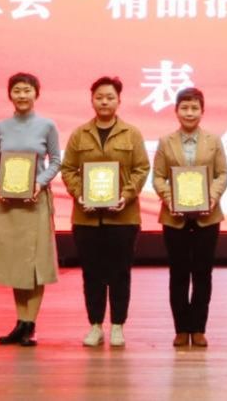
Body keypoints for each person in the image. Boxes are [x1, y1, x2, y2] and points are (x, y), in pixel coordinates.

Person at [60, 76, 151, 347]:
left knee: (120, 273)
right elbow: (68, 169)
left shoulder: (131, 133)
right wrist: (80, 194)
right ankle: (96, 325)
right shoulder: (80, 134)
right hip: (86, 219)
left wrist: (126, 195)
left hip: (123, 217)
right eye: (99, 97)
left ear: (119, 101)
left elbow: (141, 168)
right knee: (92, 273)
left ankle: (118, 325)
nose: (104, 102)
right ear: (92, 100)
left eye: (110, 97)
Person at [0, 73, 61, 347]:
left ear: (36, 94)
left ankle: (30, 323)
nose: (22, 95)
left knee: (35, 262)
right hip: (9, 204)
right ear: (10, 94)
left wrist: (39, 183)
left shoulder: (47, 126)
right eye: (17, 90)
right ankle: (20, 322)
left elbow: (56, 161)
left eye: (27, 90)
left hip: (35, 202)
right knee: (16, 262)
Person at [151, 87, 227, 348]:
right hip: (174, 218)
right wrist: (170, 199)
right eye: (184, 108)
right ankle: (181, 329)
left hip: (208, 217)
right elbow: (158, 177)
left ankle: (198, 328)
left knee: (203, 273)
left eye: (195, 108)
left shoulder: (213, 141)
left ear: (202, 111)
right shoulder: (165, 142)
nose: (189, 112)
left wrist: (212, 197)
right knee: (179, 273)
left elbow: (222, 174)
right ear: (176, 111)